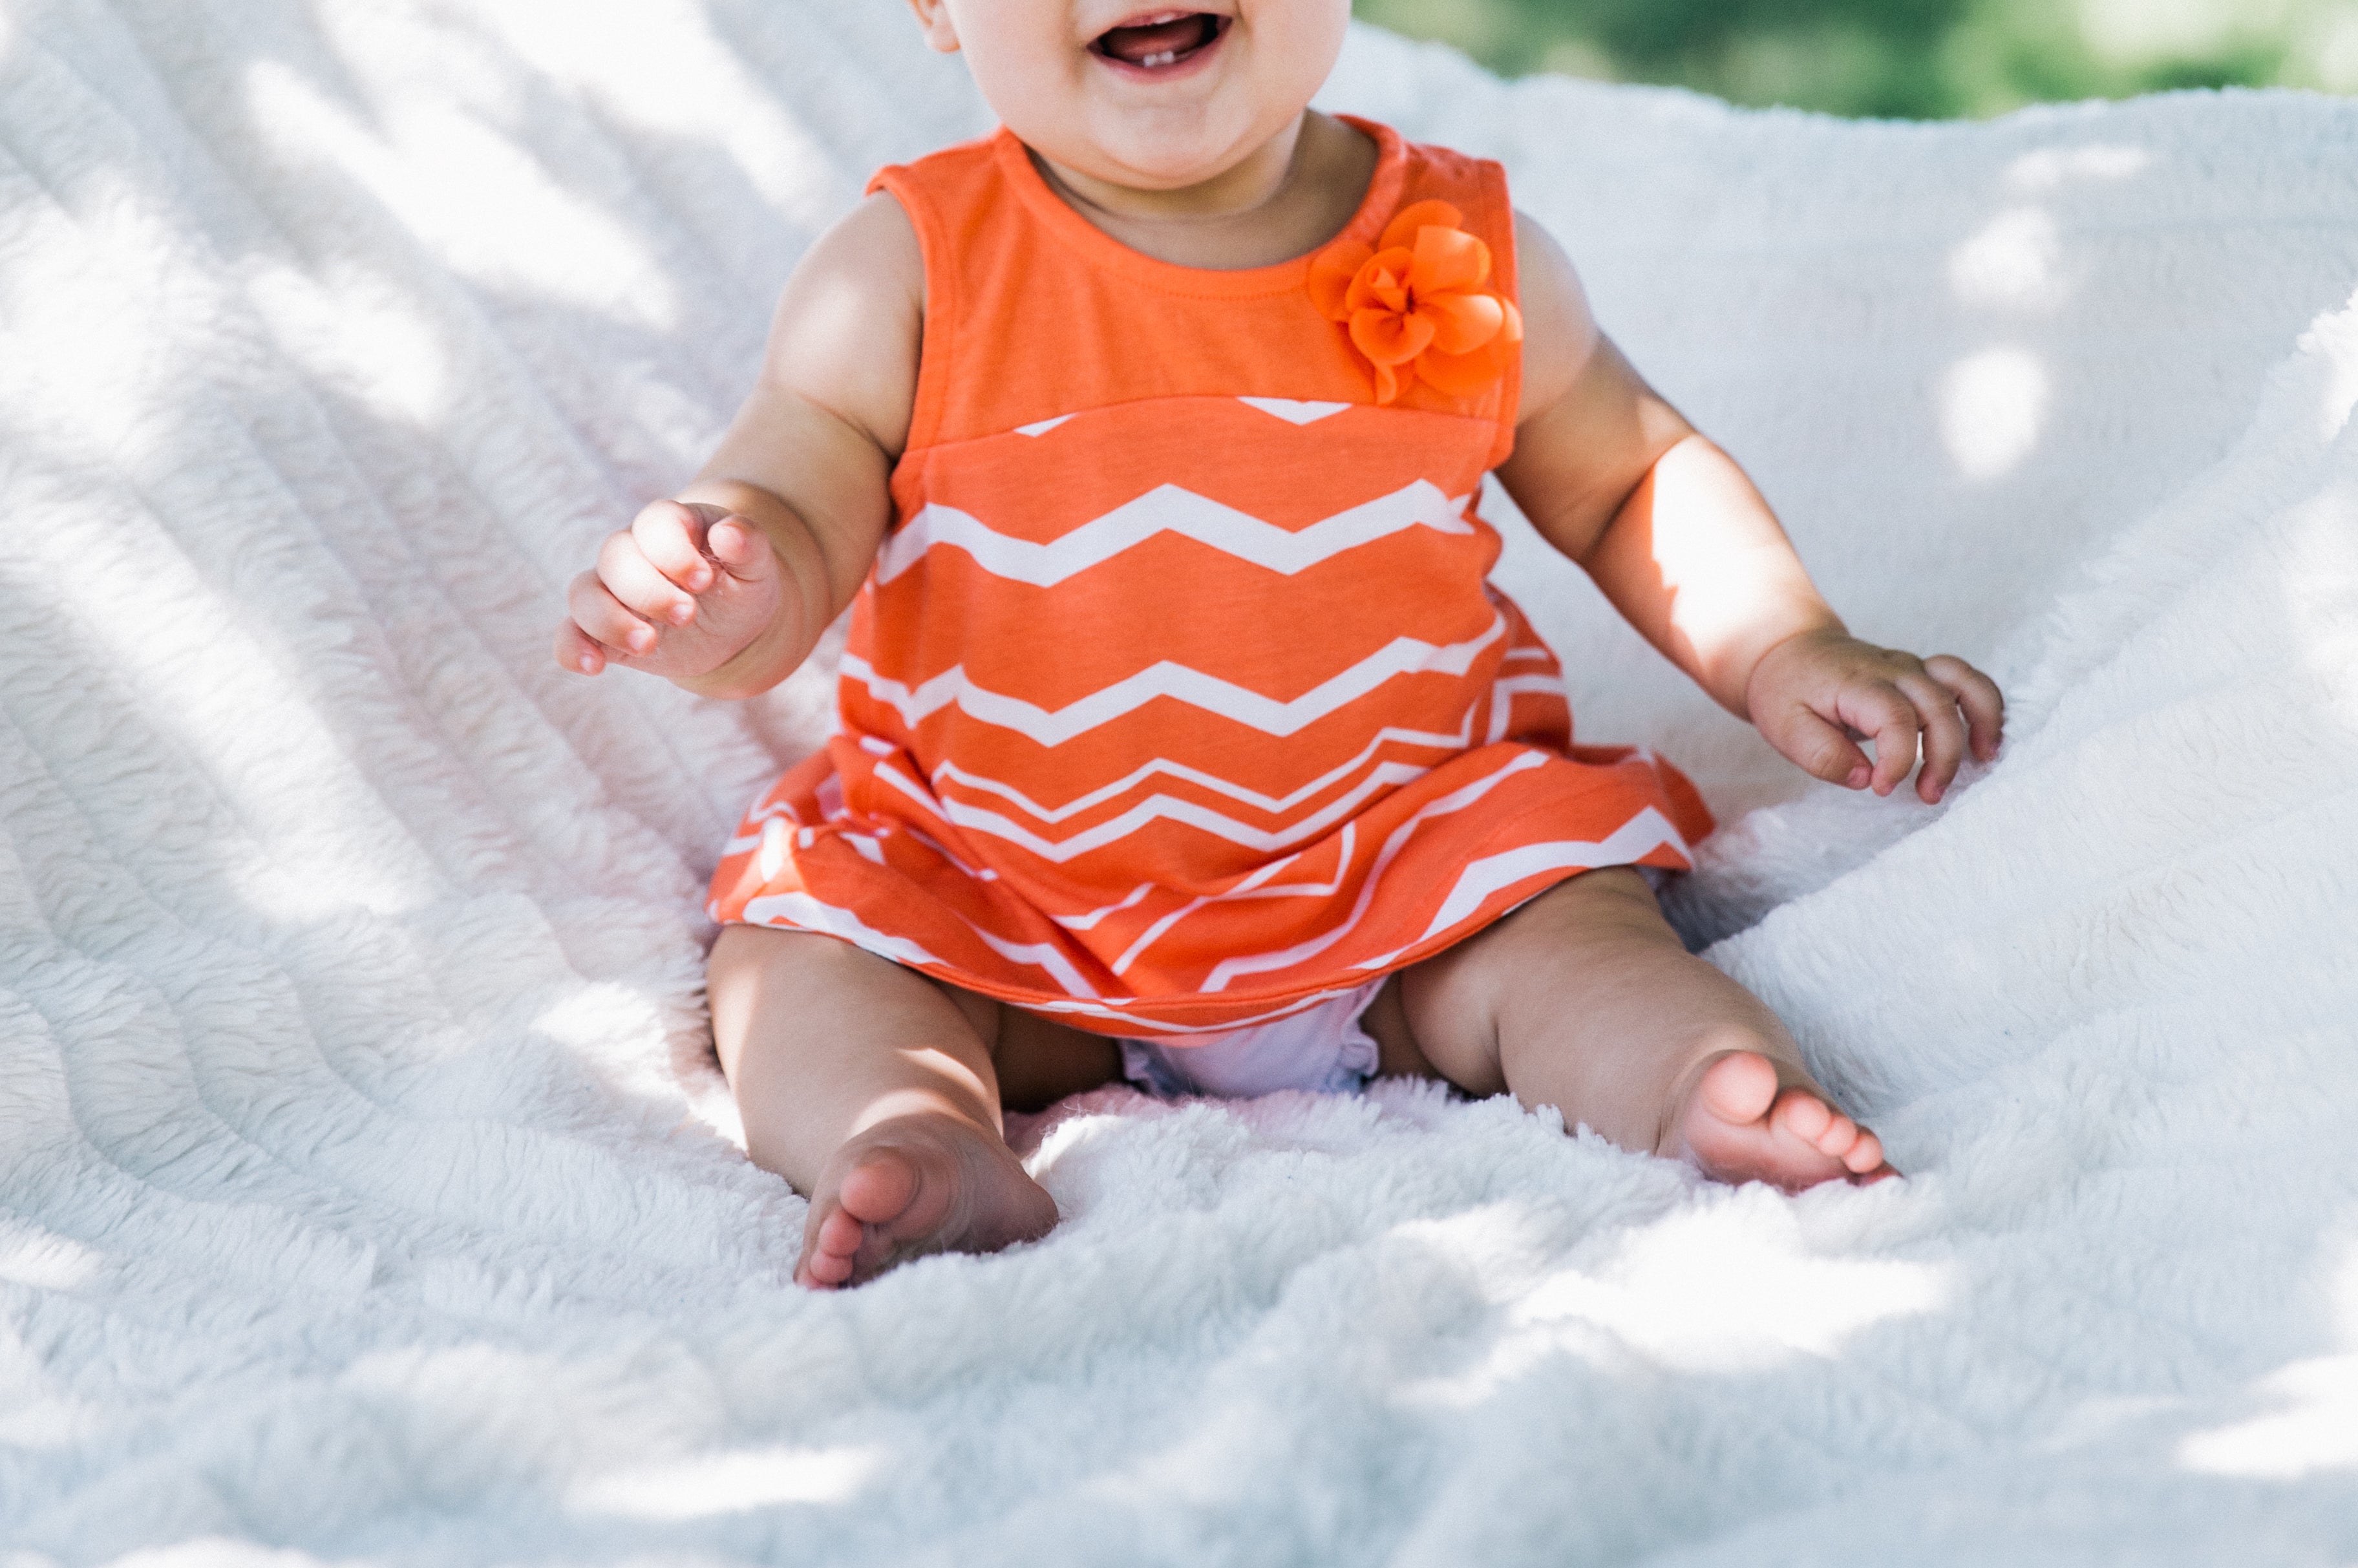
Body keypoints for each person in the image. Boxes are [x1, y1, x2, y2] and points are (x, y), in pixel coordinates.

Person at [554, 1, 2004, 1290]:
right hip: (1001, 897)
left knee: (1569, 929)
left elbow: (1629, 477)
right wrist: (730, 592)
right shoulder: (911, 270)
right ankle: (913, 1128)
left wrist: (1786, 644)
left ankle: (1701, 1082)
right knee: (799, 952)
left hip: (1398, 874)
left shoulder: (1462, 252)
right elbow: (792, 502)